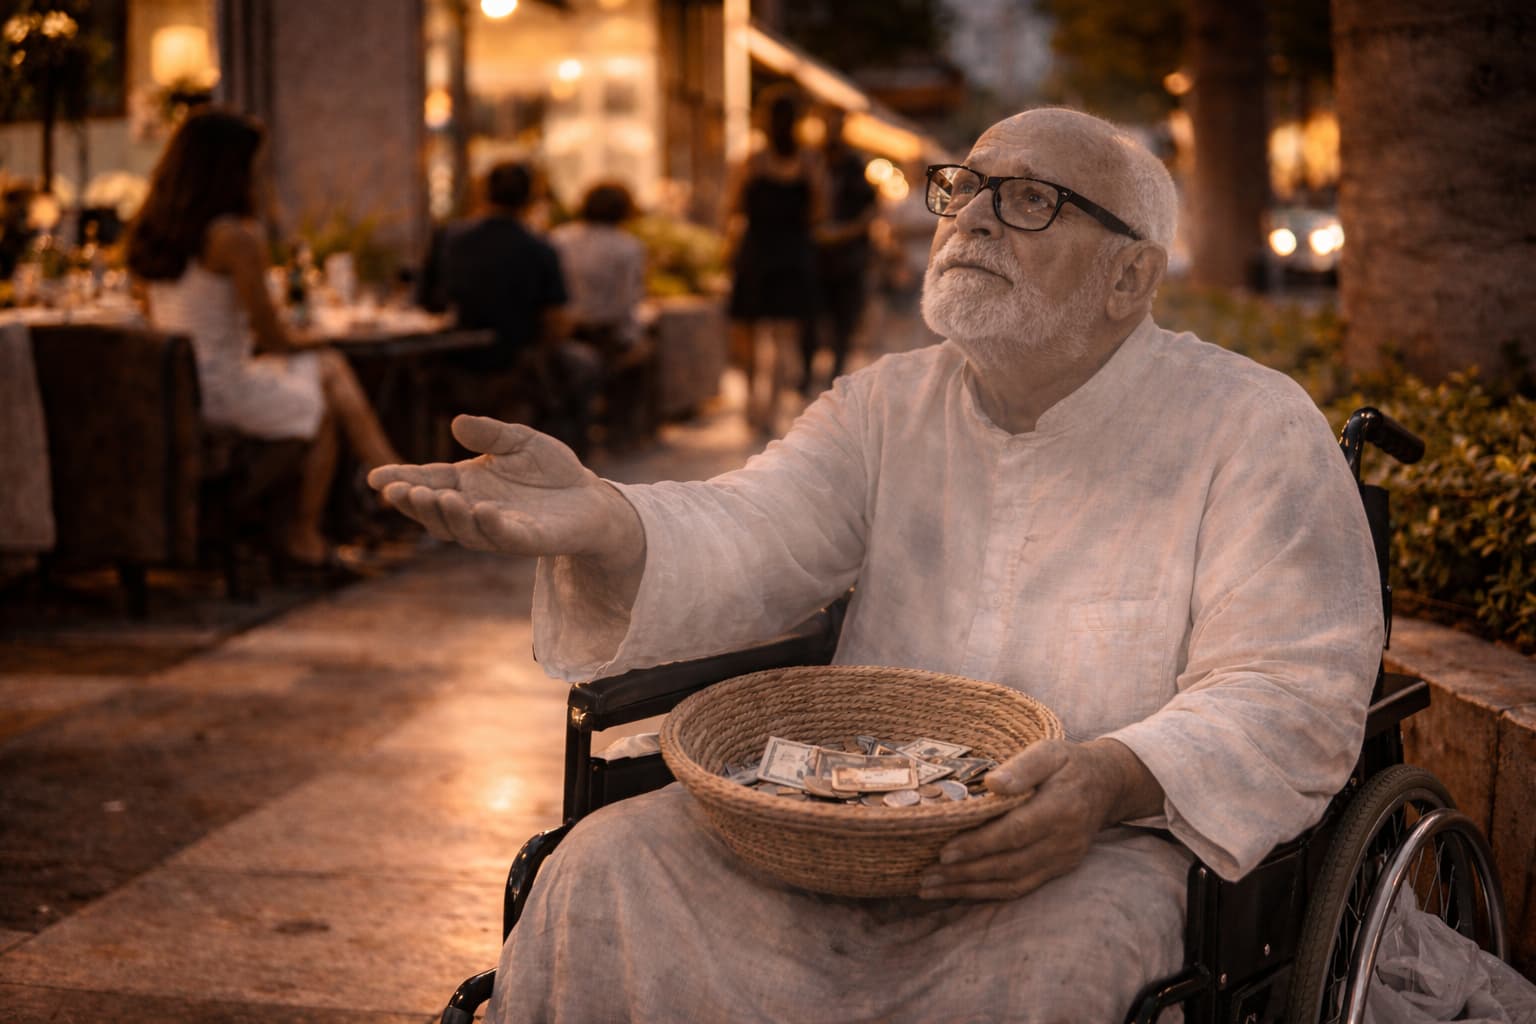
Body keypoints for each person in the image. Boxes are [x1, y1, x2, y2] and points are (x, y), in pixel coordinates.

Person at [369, 107, 1384, 1021]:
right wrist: (606, 519)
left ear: (1131, 275)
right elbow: (754, 526)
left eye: (1030, 200)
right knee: (602, 867)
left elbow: (1290, 682)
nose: (973, 219)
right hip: (836, 823)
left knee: (1068, 962)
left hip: (1103, 846)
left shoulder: (1249, 427)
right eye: (965, 188)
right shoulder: (886, 406)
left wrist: (1111, 778)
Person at [125, 107, 399, 572]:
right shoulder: (234, 236)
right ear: (232, 169)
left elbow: (160, 319)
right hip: (223, 390)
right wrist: (313, 338)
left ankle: (385, 481)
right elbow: (273, 337)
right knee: (323, 386)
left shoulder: (151, 231)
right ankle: (312, 530)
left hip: (175, 390)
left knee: (323, 375)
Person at [419, 161, 596, 457]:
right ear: (531, 199)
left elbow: (425, 302)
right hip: (515, 369)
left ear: (482, 191)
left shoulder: (448, 238)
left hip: (451, 366)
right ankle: (573, 458)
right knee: (584, 365)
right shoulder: (539, 247)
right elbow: (555, 321)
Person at [723, 86, 825, 434]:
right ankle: (773, 406)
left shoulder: (751, 161)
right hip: (793, 252)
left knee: (749, 333)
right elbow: (818, 212)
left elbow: (733, 208)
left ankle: (753, 403)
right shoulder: (809, 163)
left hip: (756, 252)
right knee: (785, 336)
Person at [549, 183, 654, 448]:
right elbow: (626, 303)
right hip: (603, 333)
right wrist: (634, 338)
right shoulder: (627, 247)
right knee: (644, 356)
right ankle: (622, 432)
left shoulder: (559, 238)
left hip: (561, 331)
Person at [805, 105, 879, 391]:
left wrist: (845, 233)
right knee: (811, 319)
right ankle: (807, 375)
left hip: (848, 257)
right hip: (816, 256)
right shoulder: (812, 159)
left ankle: (834, 375)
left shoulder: (856, 165)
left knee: (843, 321)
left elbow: (871, 210)